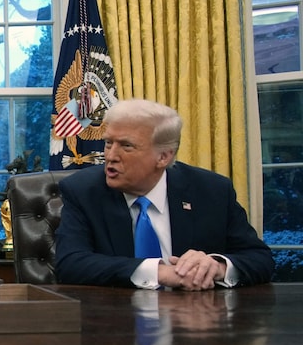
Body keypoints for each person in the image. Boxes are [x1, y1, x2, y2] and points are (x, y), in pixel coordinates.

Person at [55, 99, 275, 290]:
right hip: (114, 323)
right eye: (108, 143)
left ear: (163, 157)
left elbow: (260, 259)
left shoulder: (212, 191)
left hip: (195, 324)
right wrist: (160, 273)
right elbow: (70, 264)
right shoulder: (83, 191)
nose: (111, 156)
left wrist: (215, 267)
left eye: (126, 146)